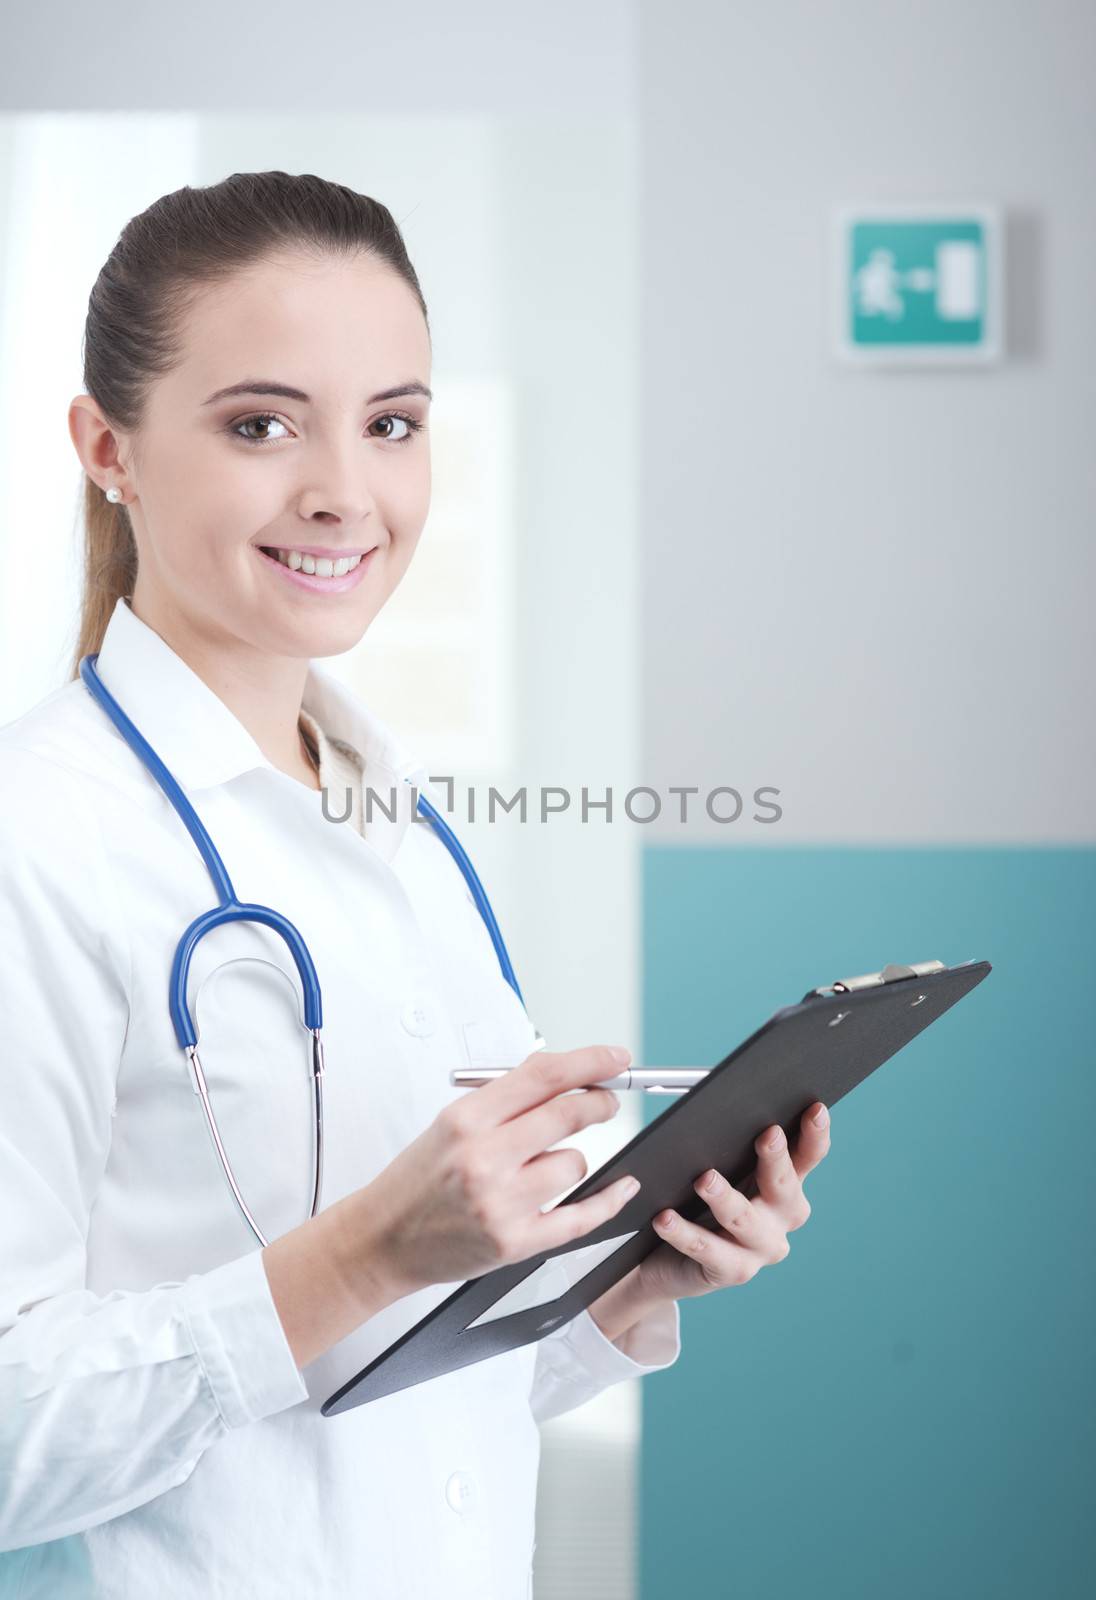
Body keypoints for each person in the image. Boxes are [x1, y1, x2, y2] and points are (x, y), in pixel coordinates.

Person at [0, 169, 829, 1597]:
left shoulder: (403, 827)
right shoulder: (36, 838)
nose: (343, 492)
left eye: (393, 425)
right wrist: (368, 1251)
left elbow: (429, 1395)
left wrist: (626, 1274)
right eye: (261, 425)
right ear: (108, 447)